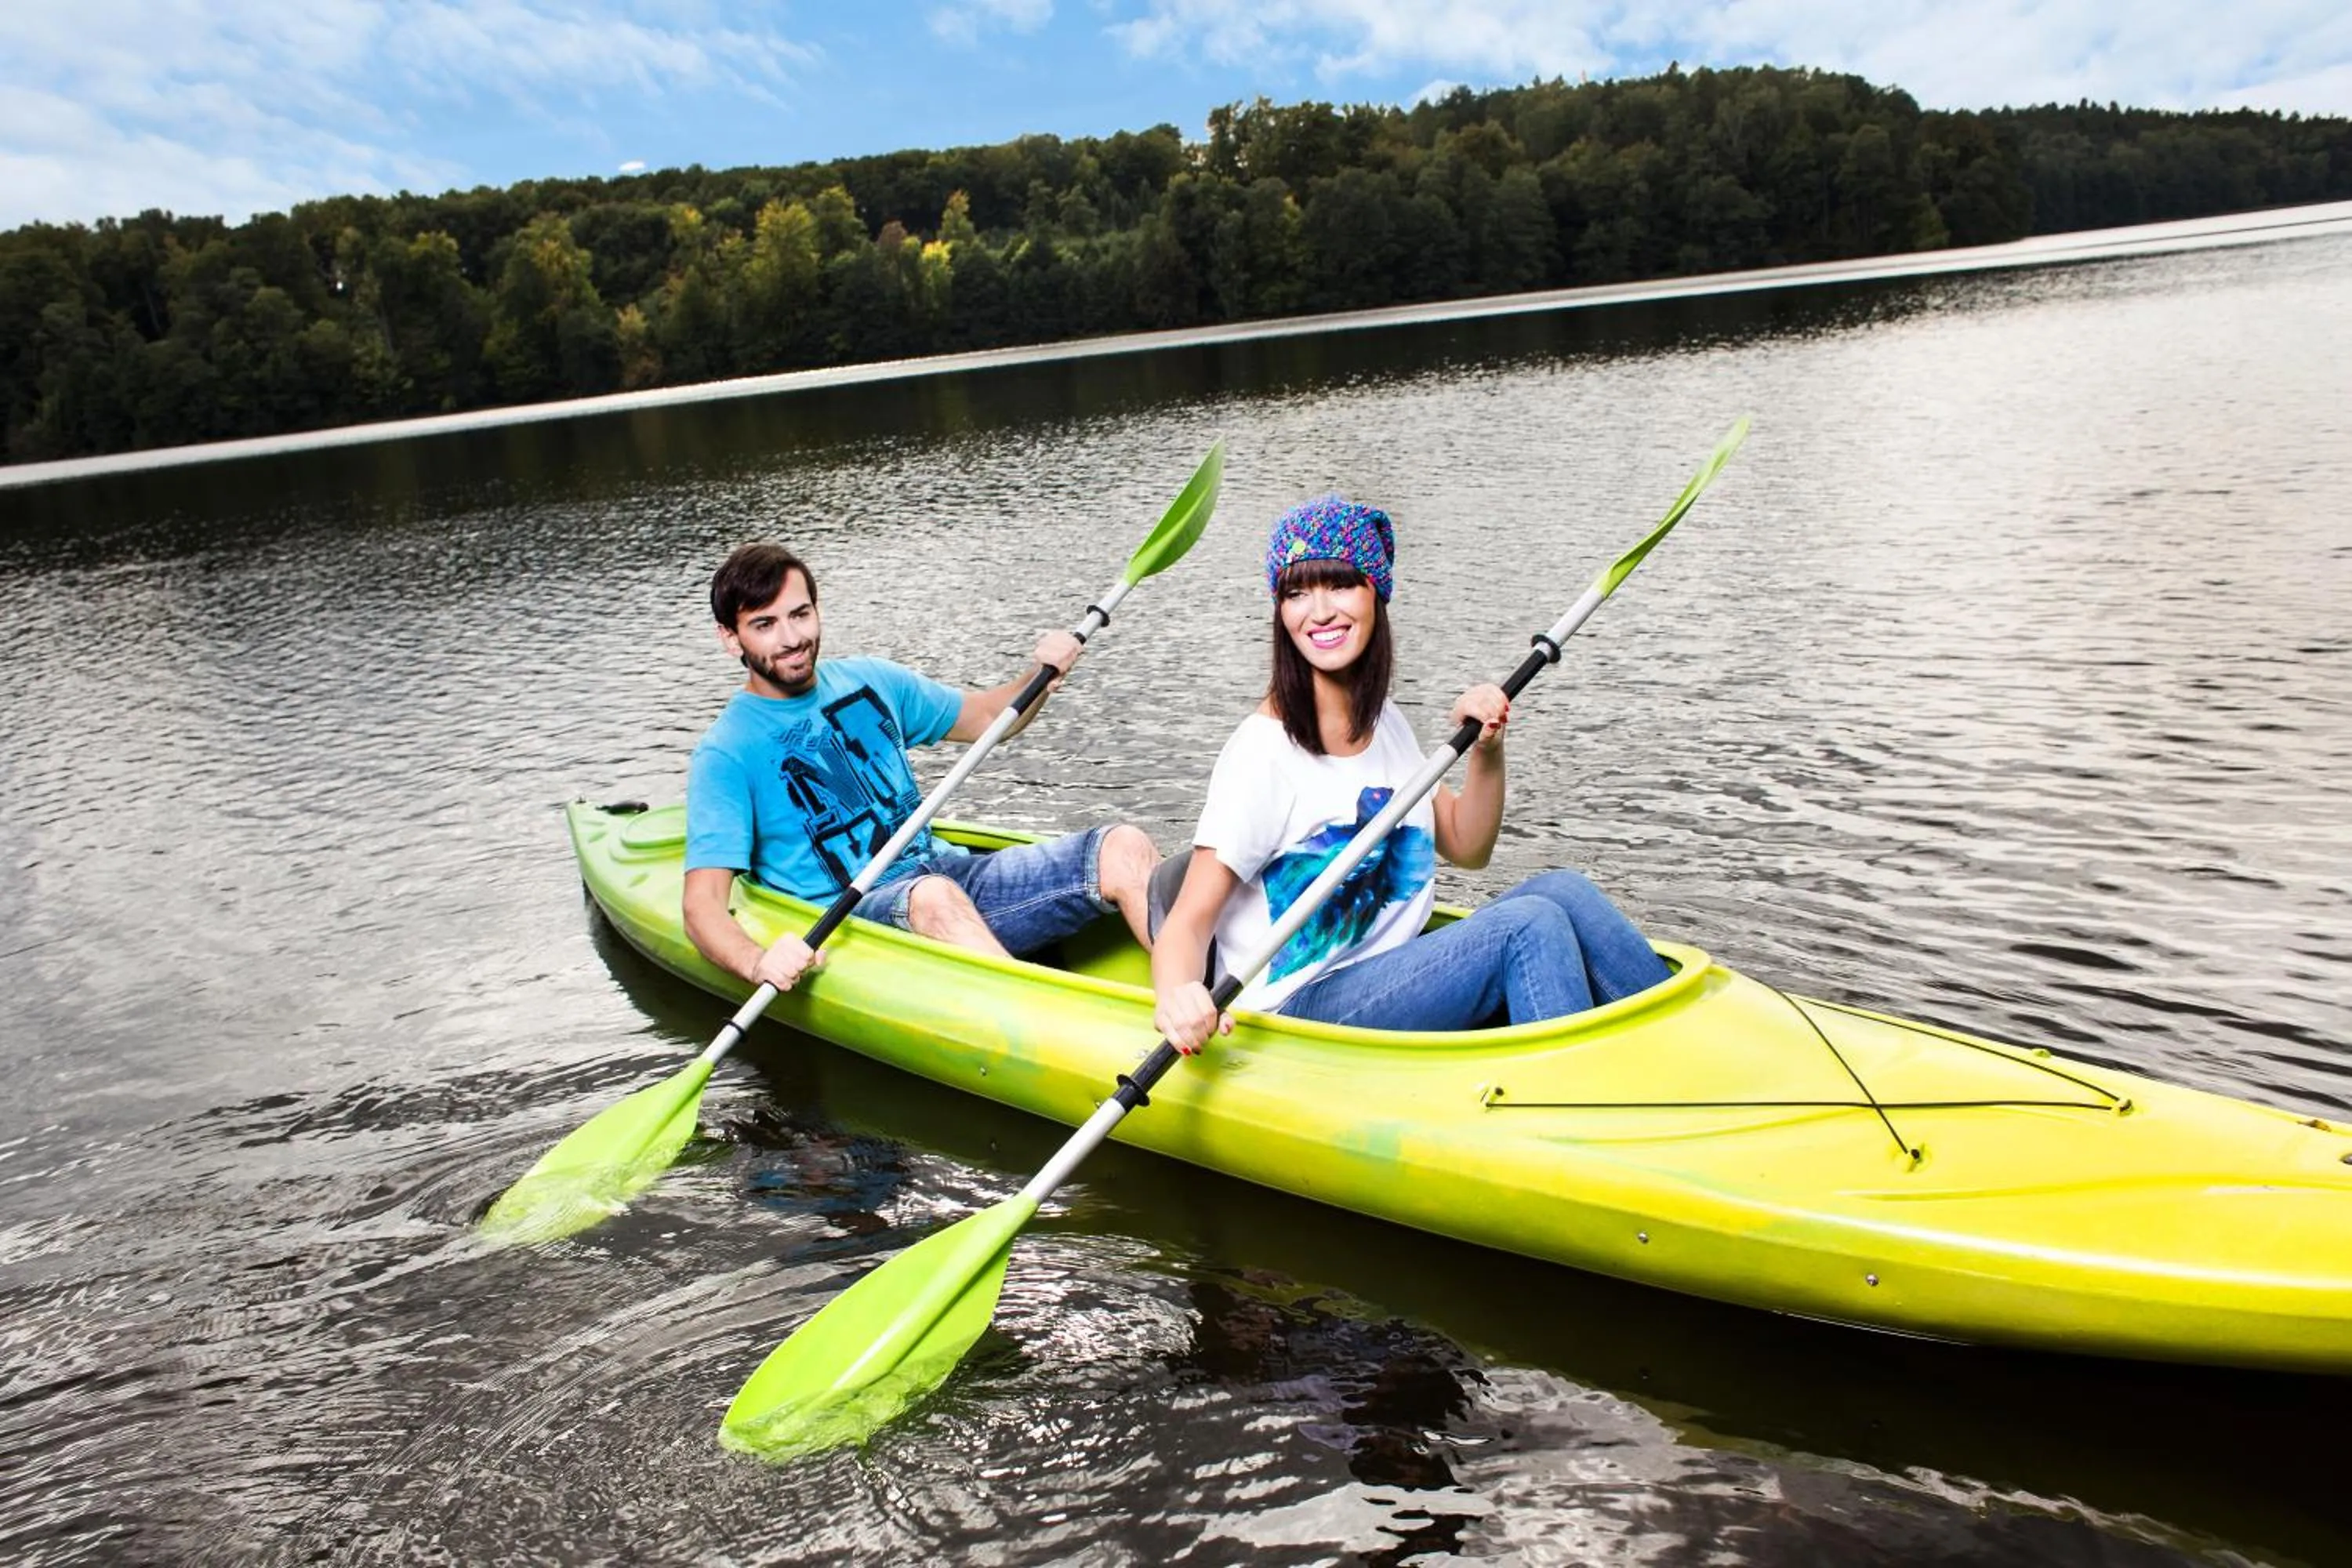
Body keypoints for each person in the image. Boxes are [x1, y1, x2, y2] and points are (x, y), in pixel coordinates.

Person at [1151, 496, 1669, 1052]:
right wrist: (1178, 998)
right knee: (1529, 925)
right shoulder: (1263, 754)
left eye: (1340, 585)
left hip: (1391, 971)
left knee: (1563, 891)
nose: (1318, 611)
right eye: (1297, 593)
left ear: (1375, 593)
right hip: (1297, 1009)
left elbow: (1467, 846)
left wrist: (1487, 750)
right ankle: (1574, 1094)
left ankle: (1676, 1049)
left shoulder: (1384, 721)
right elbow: (1187, 924)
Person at [684, 543, 1160, 996]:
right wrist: (757, 962)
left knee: (1123, 846)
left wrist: (1043, 674)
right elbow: (702, 906)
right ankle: (1046, 1026)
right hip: (850, 922)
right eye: (765, 624)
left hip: (945, 874)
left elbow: (987, 718)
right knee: (932, 897)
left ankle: (1189, 996)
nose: (791, 639)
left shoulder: (871, 679)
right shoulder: (727, 752)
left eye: (800, 614)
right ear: (731, 638)